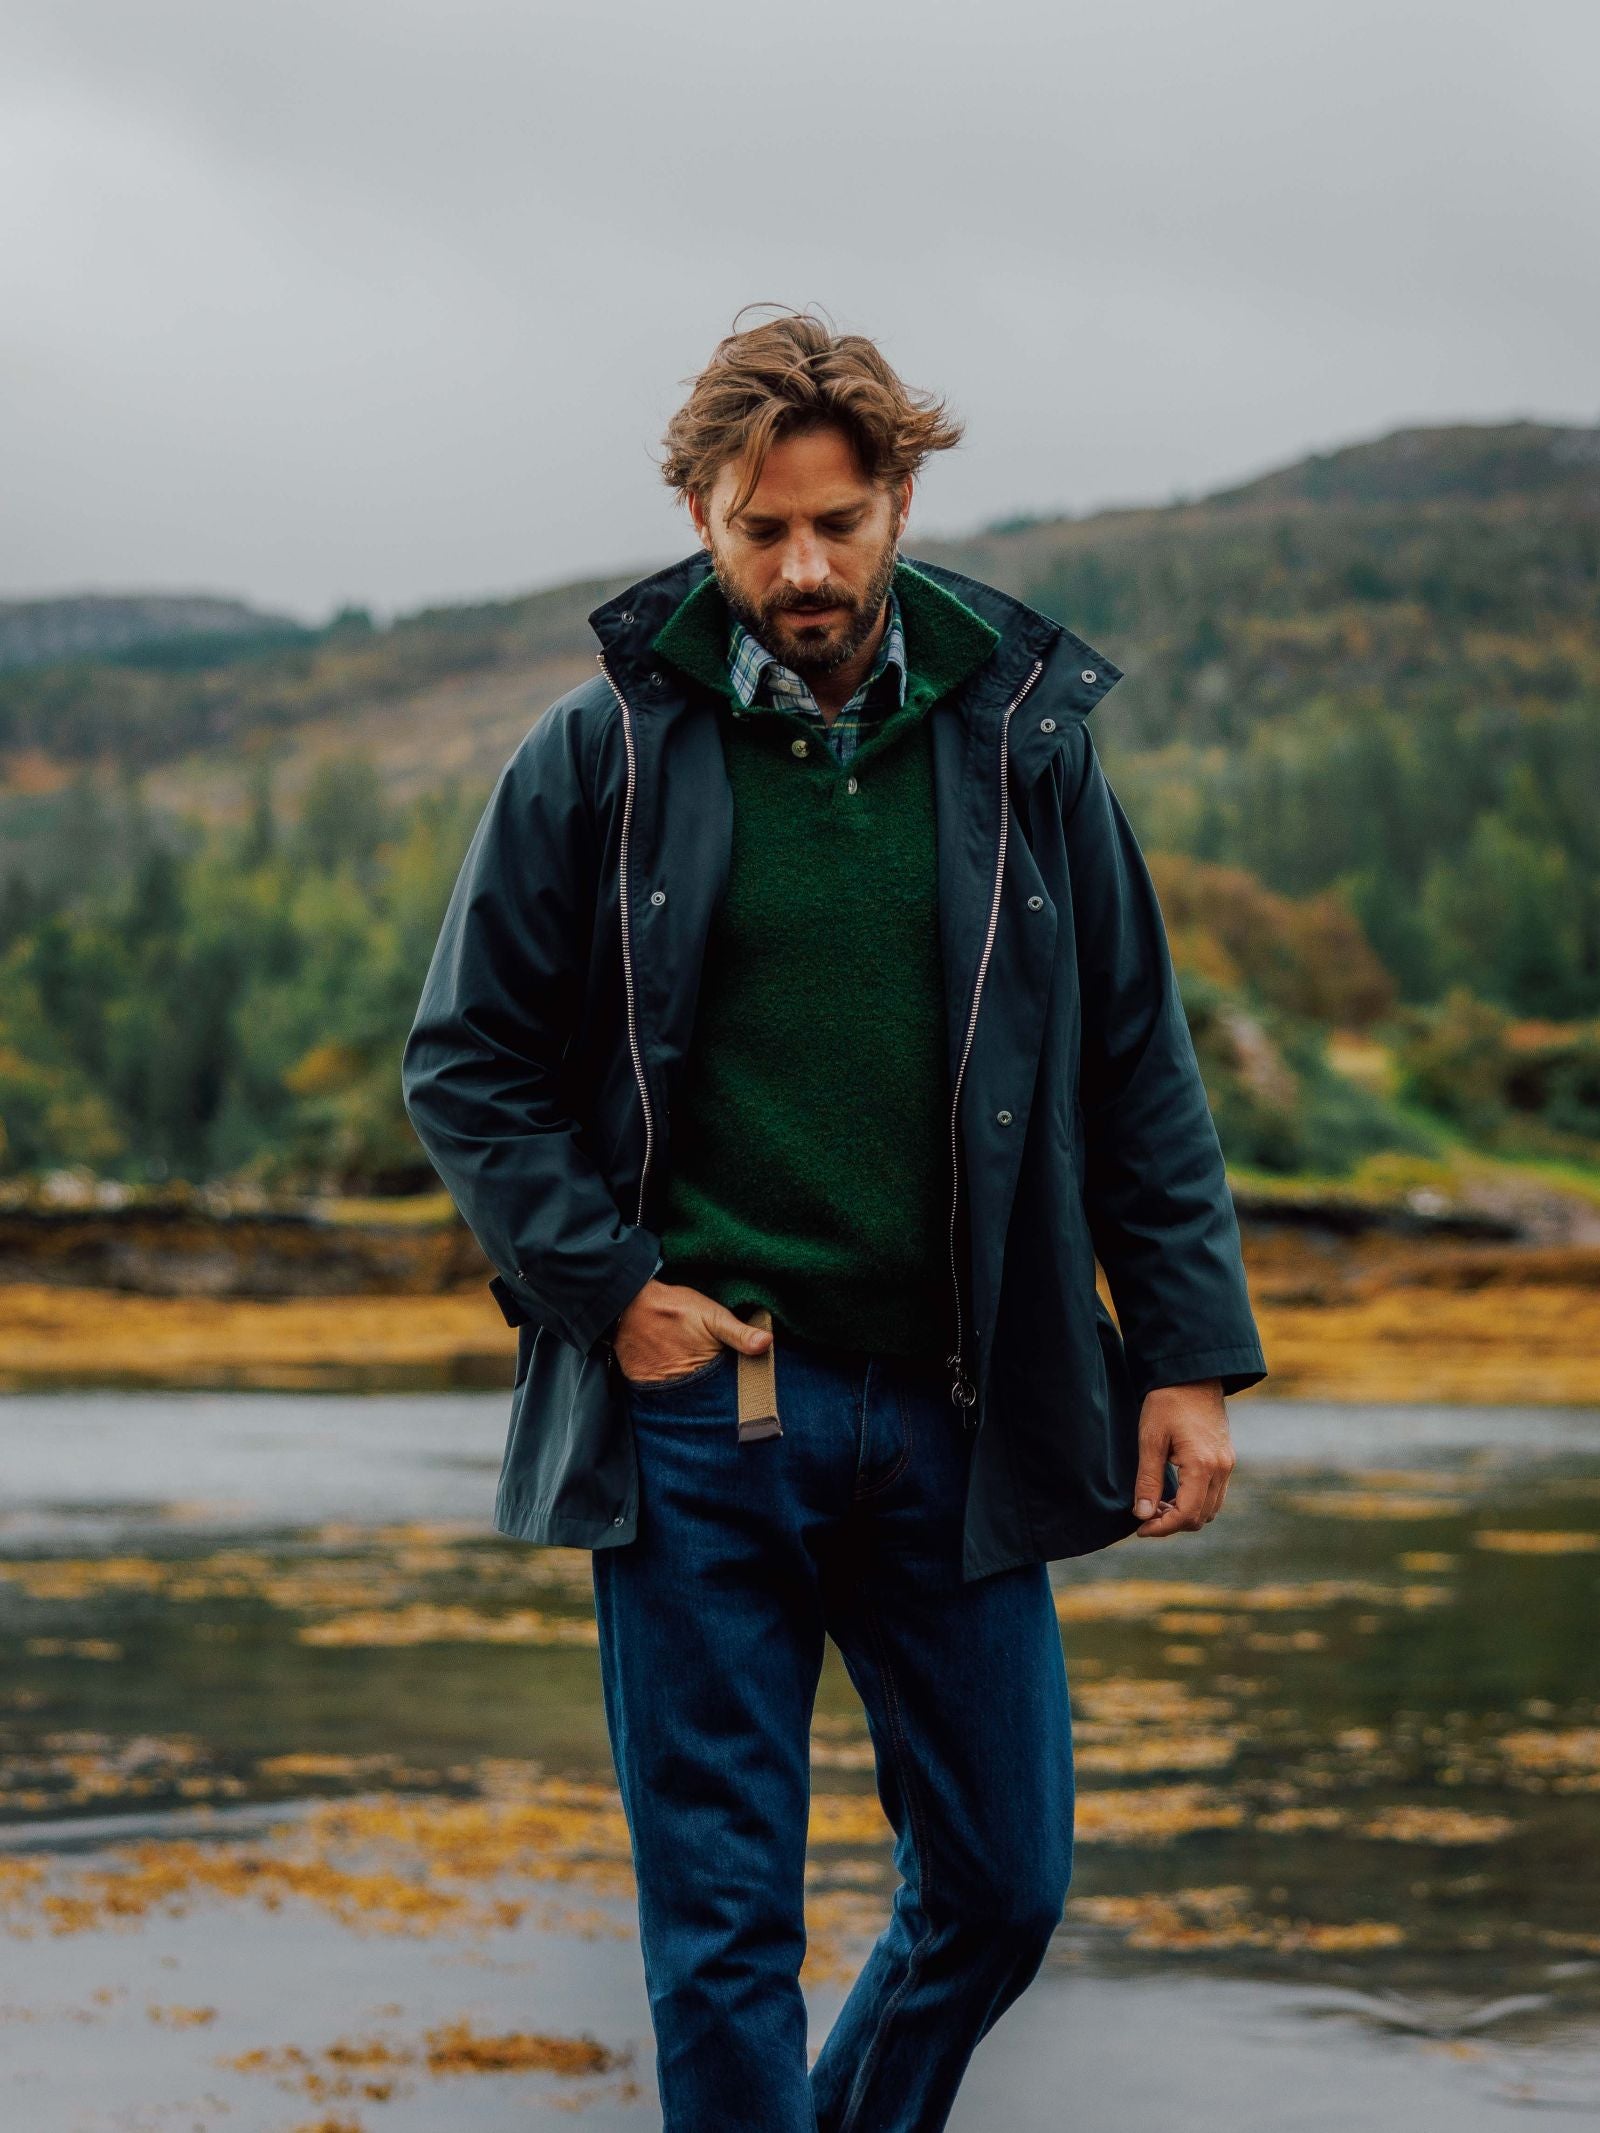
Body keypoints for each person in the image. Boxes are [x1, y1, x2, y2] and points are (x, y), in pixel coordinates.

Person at [400, 305, 1267, 2131]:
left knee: (1004, 1884)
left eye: (839, 523)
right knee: (722, 1931)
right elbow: (463, 1063)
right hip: (706, 1420)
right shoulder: (600, 753)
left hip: (963, 1408)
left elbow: (1135, 1065)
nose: (803, 566)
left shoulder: (1023, 742)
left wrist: (1187, 1358)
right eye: (758, 526)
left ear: (898, 504)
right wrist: (612, 1292)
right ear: (703, 520)